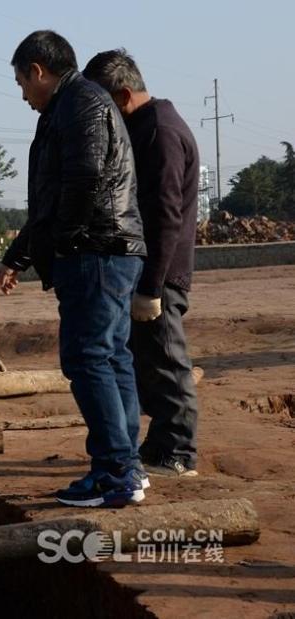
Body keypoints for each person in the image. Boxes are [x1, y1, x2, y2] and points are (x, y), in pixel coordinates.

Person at [0, 31, 148, 507]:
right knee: (112, 356)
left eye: (21, 82)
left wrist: (63, 246)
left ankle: (115, 473)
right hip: (107, 248)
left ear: (37, 71)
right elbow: (51, 199)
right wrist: (19, 255)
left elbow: (82, 183)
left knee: (88, 359)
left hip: (95, 251)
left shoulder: (79, 104)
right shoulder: (78, 103)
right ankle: (127, 468)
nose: (22, 95)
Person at [83, 49, 201, 478]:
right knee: (146, 361)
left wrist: (152, 286)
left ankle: (179, 451)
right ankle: (161, 443)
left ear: (124, 94)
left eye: (103, 106)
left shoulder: (160, 133)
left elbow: (165, 215)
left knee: (166, 360)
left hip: (161, 272)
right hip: (147, 269)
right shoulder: (146, 126)